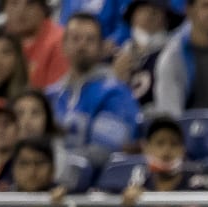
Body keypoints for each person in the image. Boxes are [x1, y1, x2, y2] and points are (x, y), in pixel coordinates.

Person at [48, 13, 141, 167]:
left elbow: (105, 151)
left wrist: (57, 167)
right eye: (75, 39)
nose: (82, 45)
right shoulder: (50, 96)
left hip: (97, 186)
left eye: (90, 39)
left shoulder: (115, 92)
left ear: (101, 47)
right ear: (63, 45)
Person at [118, 114, 208, 207]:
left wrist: (149, 201)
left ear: (183, 150)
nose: (166, 150)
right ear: (147, 148)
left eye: (174, 144)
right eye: (160, 143)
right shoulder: (138, 180)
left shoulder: (197, 181)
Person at [3, 0, 68, 89]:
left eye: (30, 3)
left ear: (43, 9)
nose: (21, 10)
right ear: (4, 9)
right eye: (14, 3)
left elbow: (55, 95)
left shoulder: (59, 42)